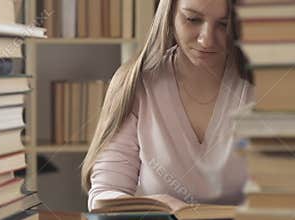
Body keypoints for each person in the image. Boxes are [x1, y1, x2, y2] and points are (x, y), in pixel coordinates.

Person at [81, 0, 254, 210]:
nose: (206, 40)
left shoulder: (269, 87)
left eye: (224, 24)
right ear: (170, 15)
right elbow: (104, 195)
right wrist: (159, 204)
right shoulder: (137, 83)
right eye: (192, 19)